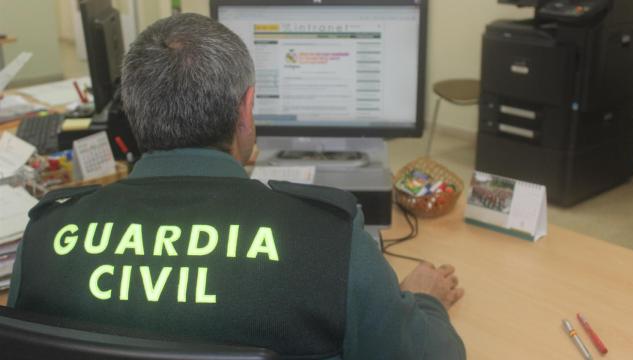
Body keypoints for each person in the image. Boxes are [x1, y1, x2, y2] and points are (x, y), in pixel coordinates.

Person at [8, 14, 465, 359]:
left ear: (133, 109)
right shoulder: (326, 242)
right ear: (245, 110)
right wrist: (425, 301)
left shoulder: (44, 237)